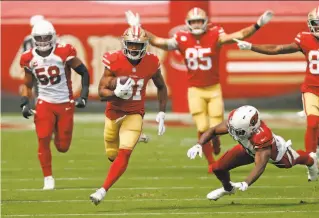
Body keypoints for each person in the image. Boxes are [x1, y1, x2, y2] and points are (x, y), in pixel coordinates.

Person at [125, 8, 274, 172]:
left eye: (199, 21)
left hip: (213, 88)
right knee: (202, 127)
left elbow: (238, 35)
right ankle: (211, 162)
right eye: (193, 21)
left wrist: (258, 25)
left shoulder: (215, 34)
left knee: (216, 126)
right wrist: (137, 28)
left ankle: (215, 141)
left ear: (205, 22)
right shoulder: (182, 38)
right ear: (188, 24)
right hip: (195, 89)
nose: (196, 24)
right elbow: (158, 41)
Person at [89, 25, 168, 205]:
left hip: (135, 113)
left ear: (145, 46)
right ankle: (134, 136)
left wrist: (162, 112)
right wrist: (117, 93)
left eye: (137, 45)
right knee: (111, 154)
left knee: (124, 154)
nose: (134, 49)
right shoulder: (114, 60)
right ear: (124, 44)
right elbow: (101, 92)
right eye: (131, 44)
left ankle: (102, 190)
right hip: (113, 112)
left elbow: (161, 86)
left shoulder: (151, 62)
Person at [233, 7, 319, 162]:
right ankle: (311, 159)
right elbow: (277, 49)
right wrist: (252, 46)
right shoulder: (305, 39)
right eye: (317, 23)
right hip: (311, 90)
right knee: (313, 123)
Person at [187, 105, 318, 201]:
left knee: (292, 161)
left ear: (252, 127)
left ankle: (310, 160)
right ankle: (228, 189)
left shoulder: (262, 136)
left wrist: (246, 182)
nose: (233, 132)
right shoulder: (237, 122)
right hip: (248, 149)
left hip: (275, 153)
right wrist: (199, 144)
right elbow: (214, 130)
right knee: (218, 168)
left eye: (239, 131)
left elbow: (260, 165)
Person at [19, 20, 90, 190]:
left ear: (53, 37)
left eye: (46, 37)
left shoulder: (64, 51)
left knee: (63, 147)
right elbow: (28, 84)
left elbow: (84, 72)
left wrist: (84, 96)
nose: (43, 41)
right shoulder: (28, 57)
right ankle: (48, 178)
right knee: (43, 139)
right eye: (39, 38)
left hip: (65, 102)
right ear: (34, 38)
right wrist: (24, 103)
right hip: (44, 101)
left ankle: (55, 128)